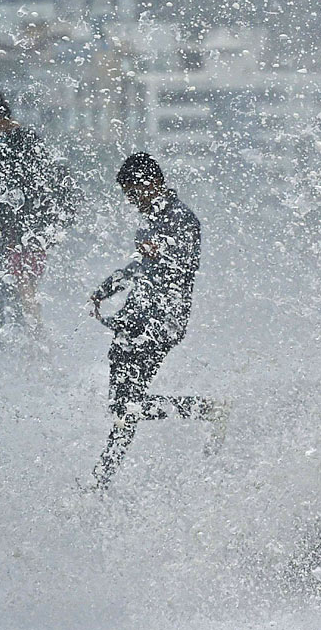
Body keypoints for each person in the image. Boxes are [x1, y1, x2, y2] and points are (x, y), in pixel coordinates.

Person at [87, 153, 223, 489]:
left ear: (154, 183)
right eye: (128, 196)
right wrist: (106, 289)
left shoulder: (183, 219)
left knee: (127, 404)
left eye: (135, 193)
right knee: (122, 406)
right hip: (135, 320)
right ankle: (102, 478)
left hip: (161, 323)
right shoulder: (152, 219)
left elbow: (184, 267)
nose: (133, 202)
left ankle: (206, 408)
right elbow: (138, 267)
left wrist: (159, 254)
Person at [0, 83, 77, 347]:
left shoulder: (22, 138)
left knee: (22, 290)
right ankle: (9, 345)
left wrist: (43, 227)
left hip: (20, 229)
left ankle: (35, 348)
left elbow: (42, 183)